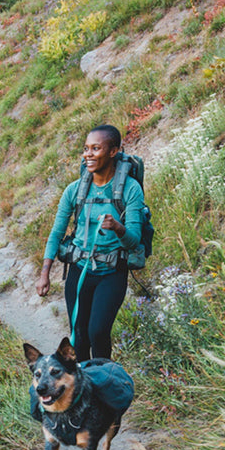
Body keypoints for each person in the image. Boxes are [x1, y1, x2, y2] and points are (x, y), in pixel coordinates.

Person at [36, 125, 144, 362]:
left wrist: (118, 227)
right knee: (79, 337)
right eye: (86, 149)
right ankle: (84, 388)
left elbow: (134, 239)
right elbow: (56, 233)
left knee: (98, 332)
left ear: (113, 151)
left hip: (112, 272)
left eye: (96, 148)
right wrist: (45, 273)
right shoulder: (74, 190)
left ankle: (104, 380)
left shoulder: (131, 189)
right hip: (79, 269)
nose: (88, 154)